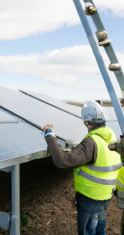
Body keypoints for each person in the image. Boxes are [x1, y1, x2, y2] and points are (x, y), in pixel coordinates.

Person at [43, 100, 122, 235]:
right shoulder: (112, 139)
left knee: (88, 231)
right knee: (99, 228)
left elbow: (62, 161)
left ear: (89, 123)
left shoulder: (92, 142)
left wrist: (49, 136)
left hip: (90, 199)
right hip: (105, 196)